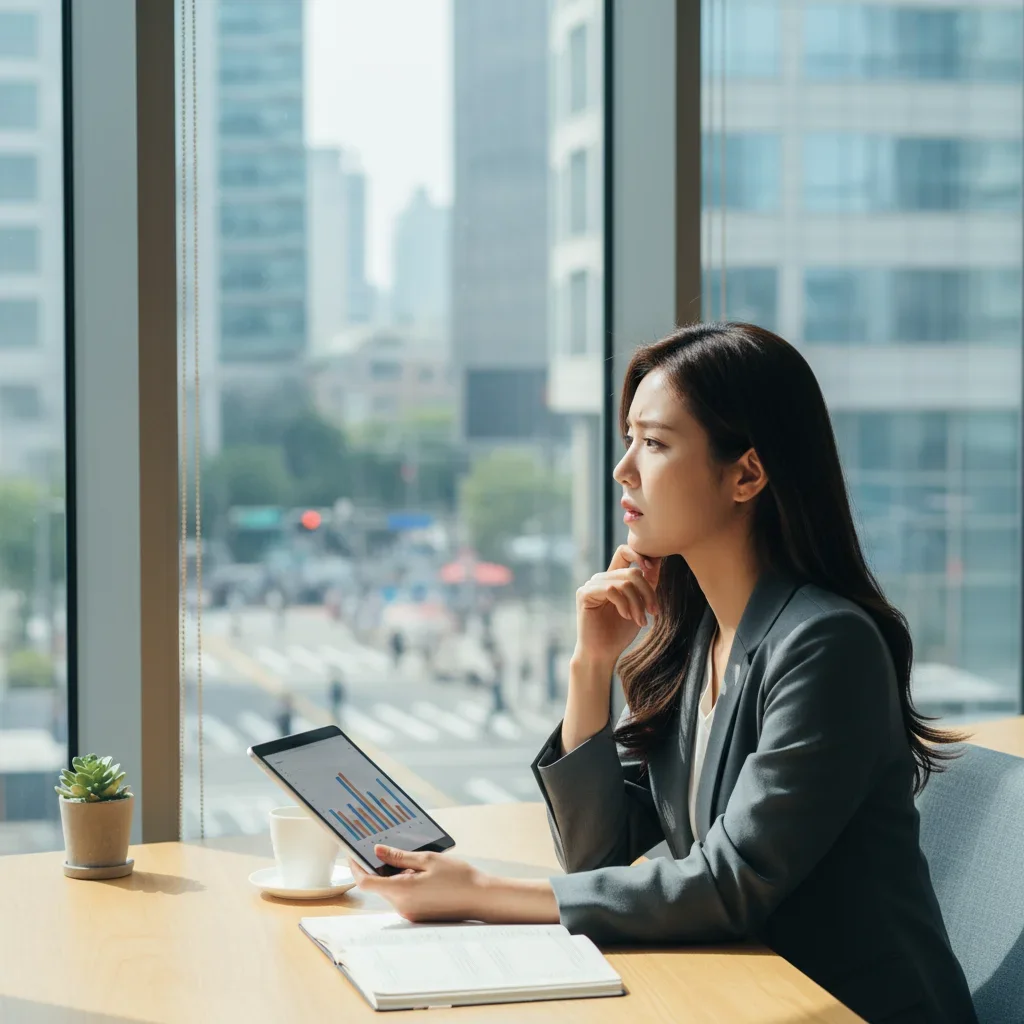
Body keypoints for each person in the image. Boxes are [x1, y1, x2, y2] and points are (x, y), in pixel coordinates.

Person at [348, 323, 977, 1024]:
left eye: (654, 443)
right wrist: (592, 667)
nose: (623, 469)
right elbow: (595, 860)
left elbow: (732, 884)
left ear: (747, 473)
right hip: (743, 995)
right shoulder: (702, 634)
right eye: (629, 439)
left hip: (849, 1008)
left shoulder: (826, 645)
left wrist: (480, 893)